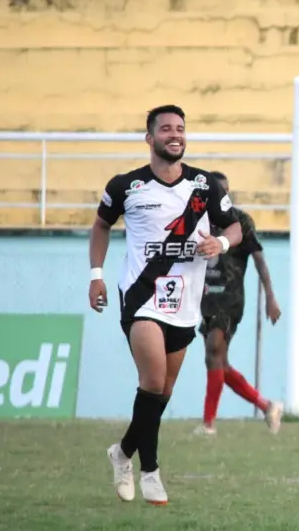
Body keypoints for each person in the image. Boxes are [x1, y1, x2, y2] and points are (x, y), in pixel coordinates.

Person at [89, 104, 242, 505]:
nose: (175, 134)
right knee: (154, 380)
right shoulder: (127, 186)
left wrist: (220, 243)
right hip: (141, 296)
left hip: (184, 304)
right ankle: (151, 472)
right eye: (166, 129)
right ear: (150, 138)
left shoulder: (205, 186)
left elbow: (235, 227)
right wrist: (96, 275)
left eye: (180, 129)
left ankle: (122, 452)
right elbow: (101, 225)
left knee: (162, 393)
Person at [196, 171, 284, 437]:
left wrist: (270, 296)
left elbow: (259, 260)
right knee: (218, 362)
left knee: (214, 349)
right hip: (206, 300)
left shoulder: (240, 221)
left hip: (230, 301)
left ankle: (208, 424)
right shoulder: (199, 221)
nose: (222, 195)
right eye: (217, 191)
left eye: (225, 191)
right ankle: (267, 406)